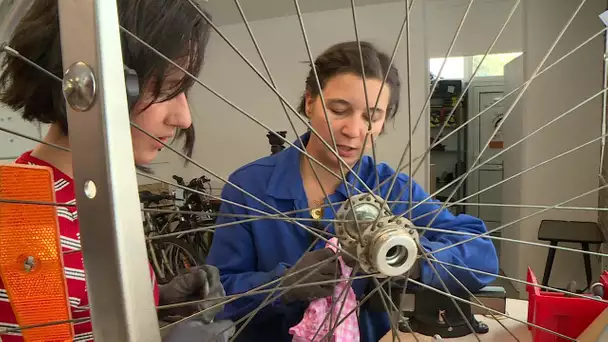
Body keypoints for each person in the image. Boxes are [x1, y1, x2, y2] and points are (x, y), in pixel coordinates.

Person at [206, 41, 499, 341]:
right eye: (338, 109)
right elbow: (214, 295)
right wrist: (282, 285)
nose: (354, 130)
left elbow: (481, 253)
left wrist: (414, 262)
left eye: (371, 117)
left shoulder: (390, 189)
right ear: (309, 102)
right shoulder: (248, 186)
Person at [0, 1, 232, 341]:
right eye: (169, 89)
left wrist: (153, 304)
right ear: (102, 82)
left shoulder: (89, 197)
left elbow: (78, 320)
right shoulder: (27, 218)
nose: (184, 118)